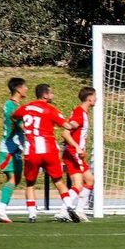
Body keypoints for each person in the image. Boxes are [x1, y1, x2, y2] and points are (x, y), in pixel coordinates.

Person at [16, 83, 82, 223]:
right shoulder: (49, 109)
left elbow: (14, 116)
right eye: (51, 93)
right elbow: (66, 125)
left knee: (30, 184)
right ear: (45, 95)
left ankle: (32, 215)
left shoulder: (26, 107)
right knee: (58, 181)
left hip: (31, 150)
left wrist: (25, 129)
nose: (52, 95)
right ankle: (69, 206)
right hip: (49, 149)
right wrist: (74, 124)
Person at [53, 86, 96, 222]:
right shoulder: (79, 114)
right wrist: (77, 147)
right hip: (72, 153)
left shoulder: (83, 113)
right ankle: (63, 211)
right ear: (90, 98)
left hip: (76, 154)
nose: (96, 99)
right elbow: (65, 133)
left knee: (89, 180)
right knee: (78, 185)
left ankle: (79, 210)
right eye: (95, 96)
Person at [0, 76, 27, 224]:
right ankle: (0, 209)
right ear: (19, 89)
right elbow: (22, 126)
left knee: (16, 179)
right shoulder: (13, 107)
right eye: (25, 87)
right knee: (13, 179)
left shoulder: (11, 105)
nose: (27, 89)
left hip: (14, 148)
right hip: (9, 148)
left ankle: (0, 210)